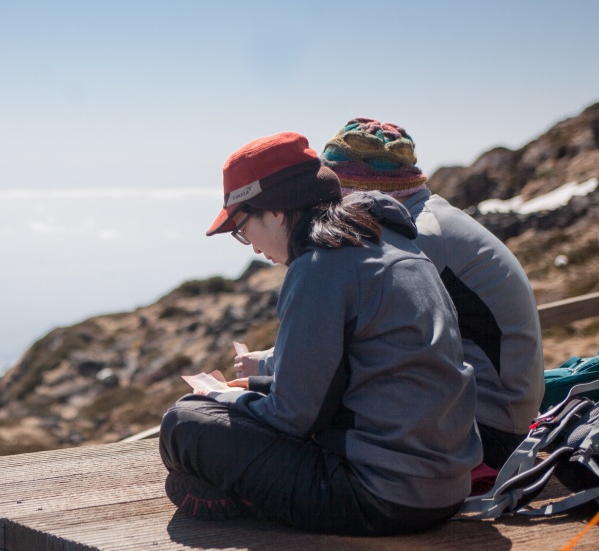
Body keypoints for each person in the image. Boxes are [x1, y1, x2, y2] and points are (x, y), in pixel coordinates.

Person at [159, 132, 482, 536]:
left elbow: (294, 417)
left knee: (183, 423)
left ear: (276, 211)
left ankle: (239, 495)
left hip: (379, 495)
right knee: (209, 422)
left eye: (243, 228)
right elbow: (351, 373)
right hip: (446, 486)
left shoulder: (319, 266)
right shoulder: (393, 243)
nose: (251, 246)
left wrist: (230, 398)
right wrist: (258, 385)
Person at [316, 117, 544, 470]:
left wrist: (270, 367)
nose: (329, 209)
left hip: (491, 430)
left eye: (334, 194)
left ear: (358, 190)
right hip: (501, 416)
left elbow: (358, 340)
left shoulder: (418, 237)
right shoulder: (427, 218)